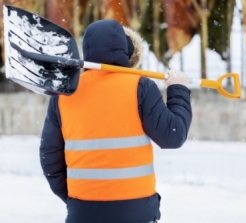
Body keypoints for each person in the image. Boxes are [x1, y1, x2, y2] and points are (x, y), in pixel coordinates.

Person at [39, 19, 192, 223]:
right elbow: (173, 135)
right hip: (137, 213)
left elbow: (50, 158)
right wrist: (178, 89)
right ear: (128, 51)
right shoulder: (140, 87)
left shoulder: (64, 94)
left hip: (84, 213)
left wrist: (77, 201)